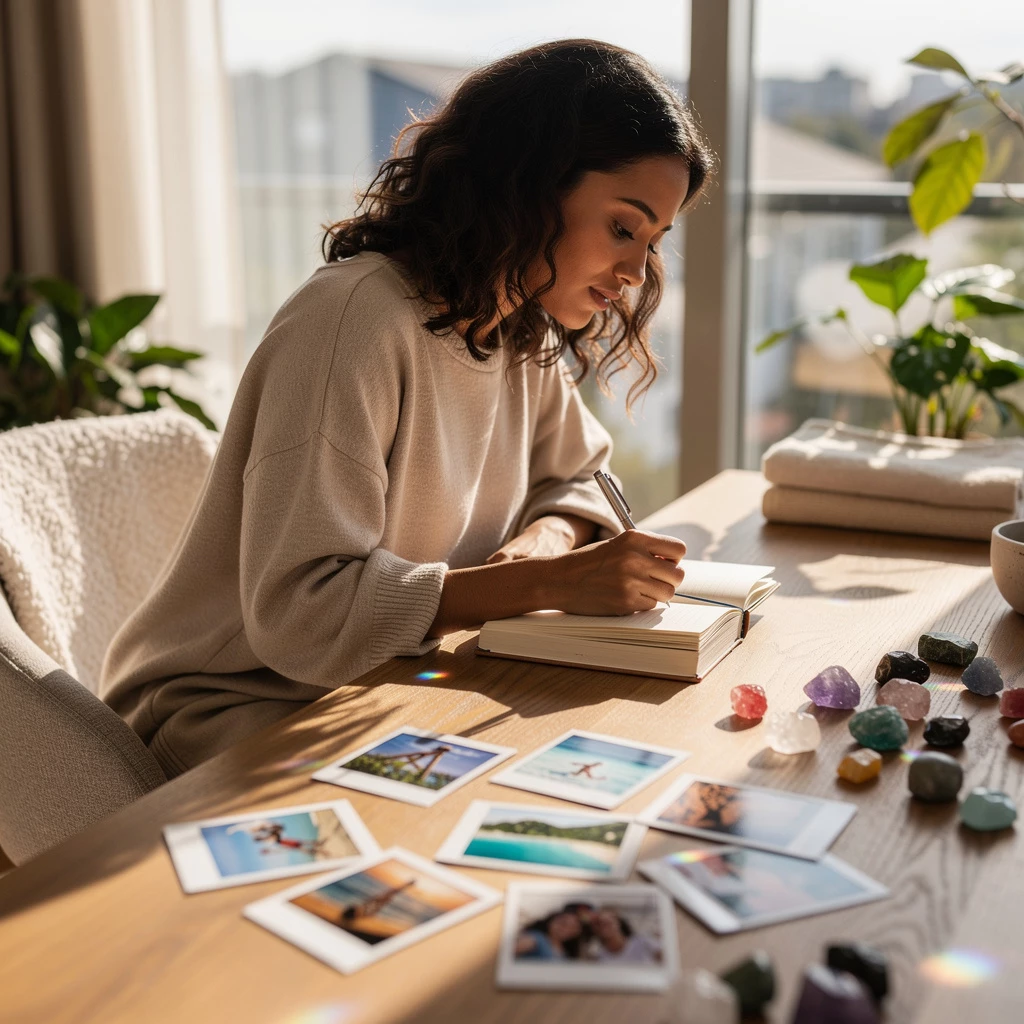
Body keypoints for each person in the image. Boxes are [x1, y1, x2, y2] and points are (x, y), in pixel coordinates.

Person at [100, 38, 713, 777]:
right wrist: (544, 586)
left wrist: (544, 544)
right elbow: (303, 614)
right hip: (232, 705)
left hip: (379, 683)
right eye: (623, 226)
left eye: (653, 242)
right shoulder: (353, 322)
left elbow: (578, 477)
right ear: (527, 184)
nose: (637, 271)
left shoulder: (515, 324)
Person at [589, 907, 662, 964]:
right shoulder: (597, 957)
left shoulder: (643, 942)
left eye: (607, 922)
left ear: (618, 922)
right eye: (598, 923)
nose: (603, 926)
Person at [515, 908, 588, 961]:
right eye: (562, 922)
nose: (565, 928)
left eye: (573, 927)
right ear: (551, 920)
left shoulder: (566, 953)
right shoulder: (536, 939)